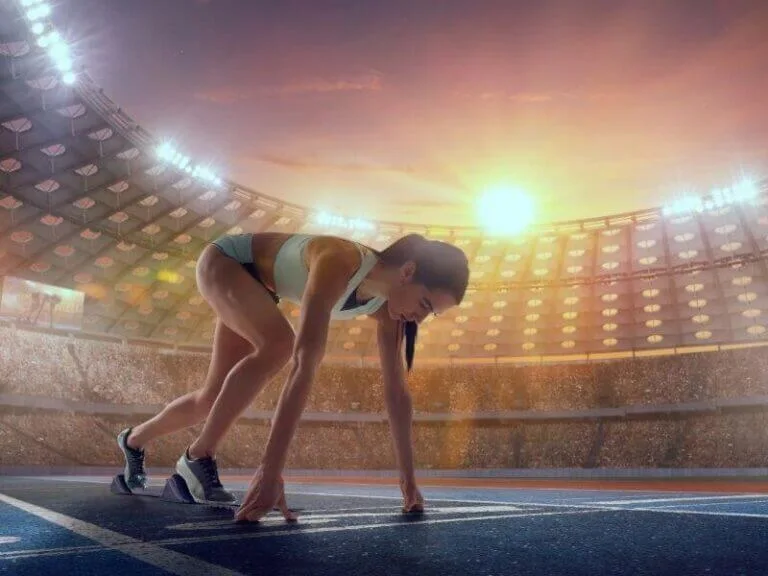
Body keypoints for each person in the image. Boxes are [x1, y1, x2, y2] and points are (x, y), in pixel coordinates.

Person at [117, 231, 469, 522]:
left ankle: (133, 440)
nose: (420, 320)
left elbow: (397, 394)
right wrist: (269, 475)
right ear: (407, 272)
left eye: (431, 314)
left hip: (259, 291)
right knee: (279, 344)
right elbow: (304, 363)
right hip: (227, 263)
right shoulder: (339, 260)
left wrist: (409, 486)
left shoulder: (391, 313)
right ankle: (197, 458)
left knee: (210, 398)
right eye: (425, 304)